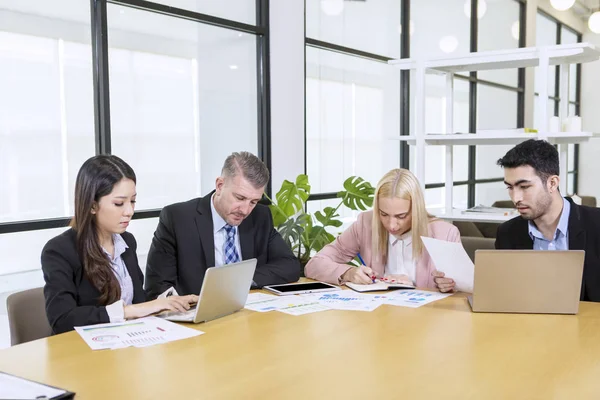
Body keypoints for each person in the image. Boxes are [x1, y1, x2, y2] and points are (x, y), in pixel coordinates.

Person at [42, 155, 197, 334]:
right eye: (119, 203)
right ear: (92, 206)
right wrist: (128, 311)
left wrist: (166, 303)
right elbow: (62, 319)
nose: (130, 211)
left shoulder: (127, 242)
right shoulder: (59, 250)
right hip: (86, 352)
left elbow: (138, 301)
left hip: (131, 342)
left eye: (132, 201)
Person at [144, 151, 300, 299]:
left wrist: (239, 280)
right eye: (239, 198)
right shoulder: (177, 218)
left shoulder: (260, 217)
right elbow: (157, 287)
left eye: (253, 202)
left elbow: (290, 265)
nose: (245, 210)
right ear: (219, 185)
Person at [305, 168, 460, 292]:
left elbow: (469, 290)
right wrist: (348, 273)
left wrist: (450, 285)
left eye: (401, 216)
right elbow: (314, 264)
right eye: (383, 214)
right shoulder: (365, 224)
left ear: (416, 210)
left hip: (427, 321)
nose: (391, 225)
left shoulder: (445, 234)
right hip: (378, 318)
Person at [495, 139, 600, 302]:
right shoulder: (507, 233)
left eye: (524, 187)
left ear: (552, 183)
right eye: (510, 187)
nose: (516, 198)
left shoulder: (596, 224)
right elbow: (507, 296)